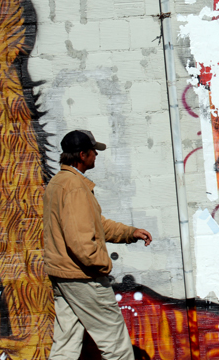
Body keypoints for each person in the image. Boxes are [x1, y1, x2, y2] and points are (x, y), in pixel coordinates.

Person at [44, 129, 152, 360]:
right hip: (83, 277)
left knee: (66, 345)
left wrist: (129, 233)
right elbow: (80, 241)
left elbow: (95, 225)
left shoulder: (59, 183)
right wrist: (102, 265)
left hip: (64, 277)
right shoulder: (73, 186)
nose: (97, 155)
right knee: (116, 344)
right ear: (82, 155)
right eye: (94, 151)